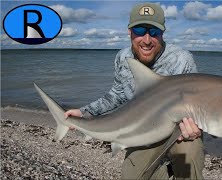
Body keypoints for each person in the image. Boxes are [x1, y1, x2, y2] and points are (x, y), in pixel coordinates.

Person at [64, 2, 204, 179]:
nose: (146, 40)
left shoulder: (182, 60)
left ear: (162, 33)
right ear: (129, 31)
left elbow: (198, 103)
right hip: (141, 130)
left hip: (179, 131)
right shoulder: (123, 58)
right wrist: (84, 112)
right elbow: (117, 94)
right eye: (139, 31)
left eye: (154, 32)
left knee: (189, 160)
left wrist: (199, 126)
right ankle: (167, 171)